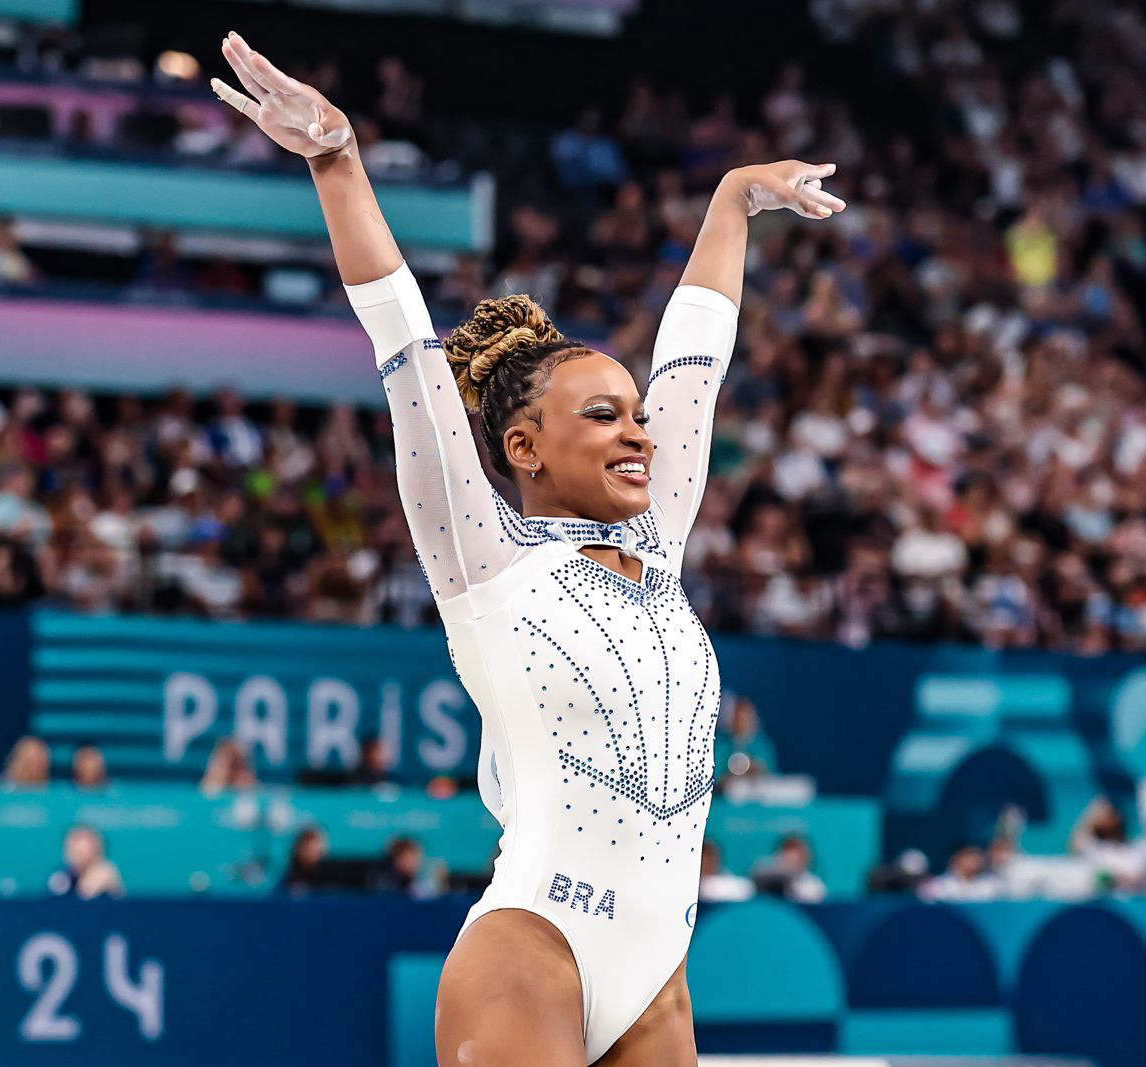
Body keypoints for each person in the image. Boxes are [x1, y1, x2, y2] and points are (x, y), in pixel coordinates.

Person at [211, 34, 844, 1066]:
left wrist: (733, 200)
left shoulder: (656, 538)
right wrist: (336, 160)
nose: (641, 431)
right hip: (531, 951)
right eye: (604, 415)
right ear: (521, 446)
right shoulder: (484, 555)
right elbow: (405, 346)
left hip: (657, 978)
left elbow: (697, 359)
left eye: (637, 415)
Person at [48, 824, 123, 899]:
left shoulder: (106, 871)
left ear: (97, 849)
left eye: (78, 852)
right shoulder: (62, 874)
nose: (71, 853)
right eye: (68, 848)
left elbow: (84, 896)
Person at [753, 834, 827, 904]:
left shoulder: (813, 886)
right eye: (787, 857)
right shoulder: (762, 880)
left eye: (796, 857)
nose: (791, 861)